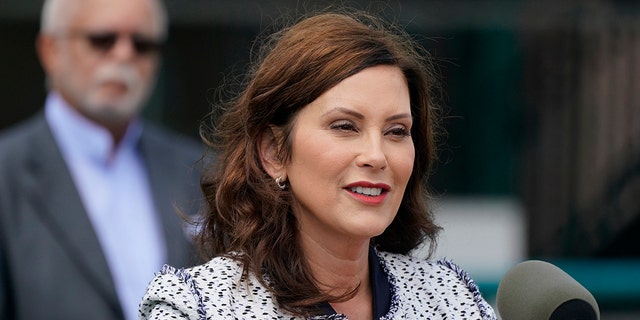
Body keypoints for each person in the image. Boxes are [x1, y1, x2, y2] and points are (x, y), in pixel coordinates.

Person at [140, 10, 497, 320]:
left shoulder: (451, 299)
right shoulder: (196, 306)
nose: (376, 155)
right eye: (345, 126)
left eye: (397, 131)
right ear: (274, 153)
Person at [0, 0, 203, 319]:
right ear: (51, 50)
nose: (124, 55)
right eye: (102, 40)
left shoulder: (198, 171)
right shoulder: (7, 172)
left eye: (143, 44)